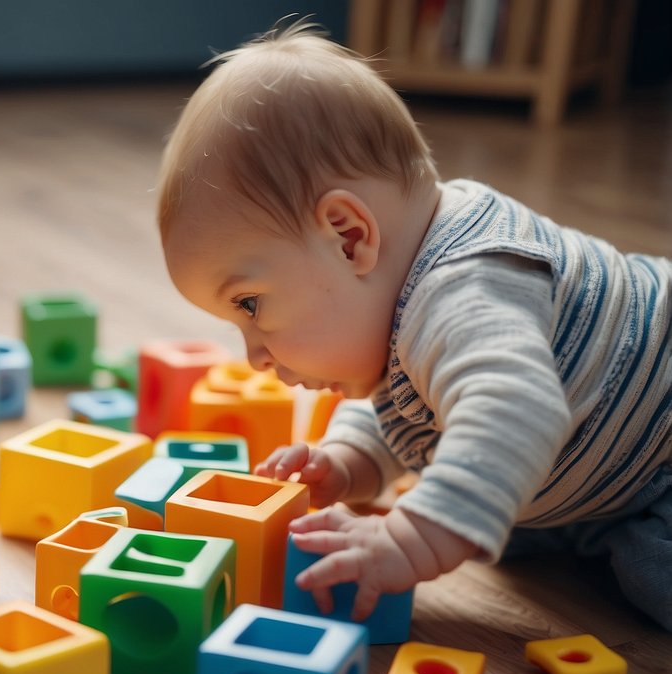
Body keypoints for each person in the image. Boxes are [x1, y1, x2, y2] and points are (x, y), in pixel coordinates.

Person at [156, 20, 672, 631]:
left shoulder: (459, 288)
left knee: (649, 575)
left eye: (249, 306)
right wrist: (348, 461)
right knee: (517, 524)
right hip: (616, 469)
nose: (255, 357)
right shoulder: (393, 297)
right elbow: (402, 392)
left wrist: (408, 540)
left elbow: (516, 405)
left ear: (348, 238)